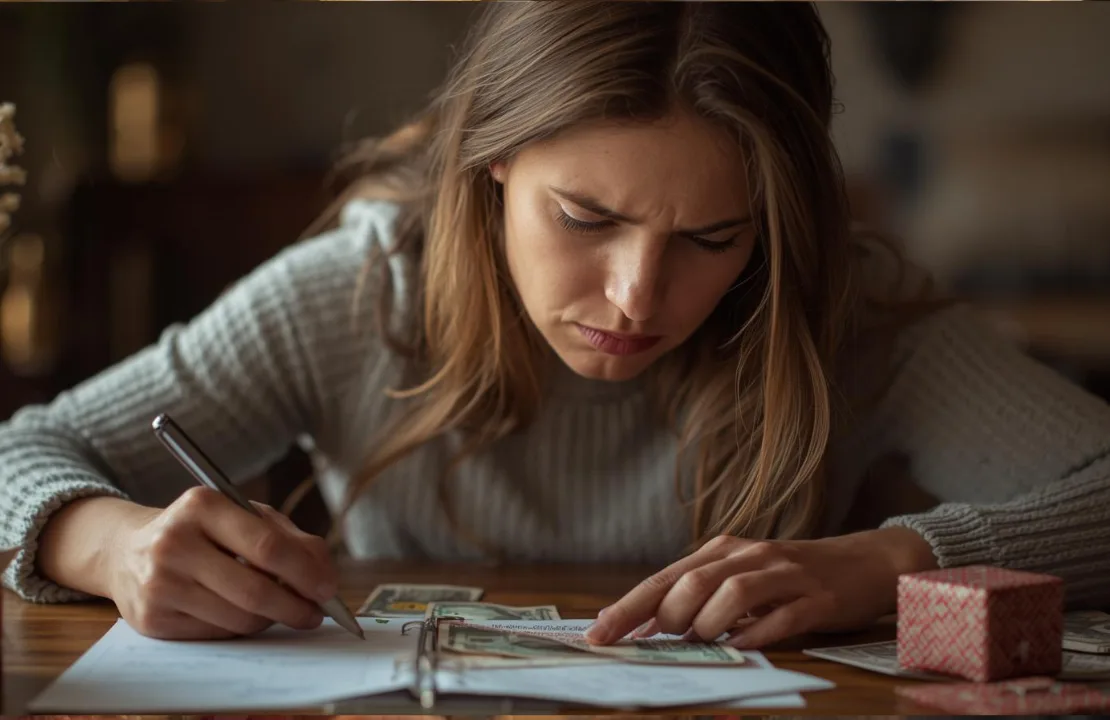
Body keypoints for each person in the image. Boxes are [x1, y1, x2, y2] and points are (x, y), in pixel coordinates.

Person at [2, 1, 1108, 650]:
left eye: (715, 239)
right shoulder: (359, 293)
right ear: (488, 169)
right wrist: (109, 543)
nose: (636, 297)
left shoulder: (843, 310)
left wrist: (898, 562)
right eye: (586, 217)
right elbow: (20, 450)